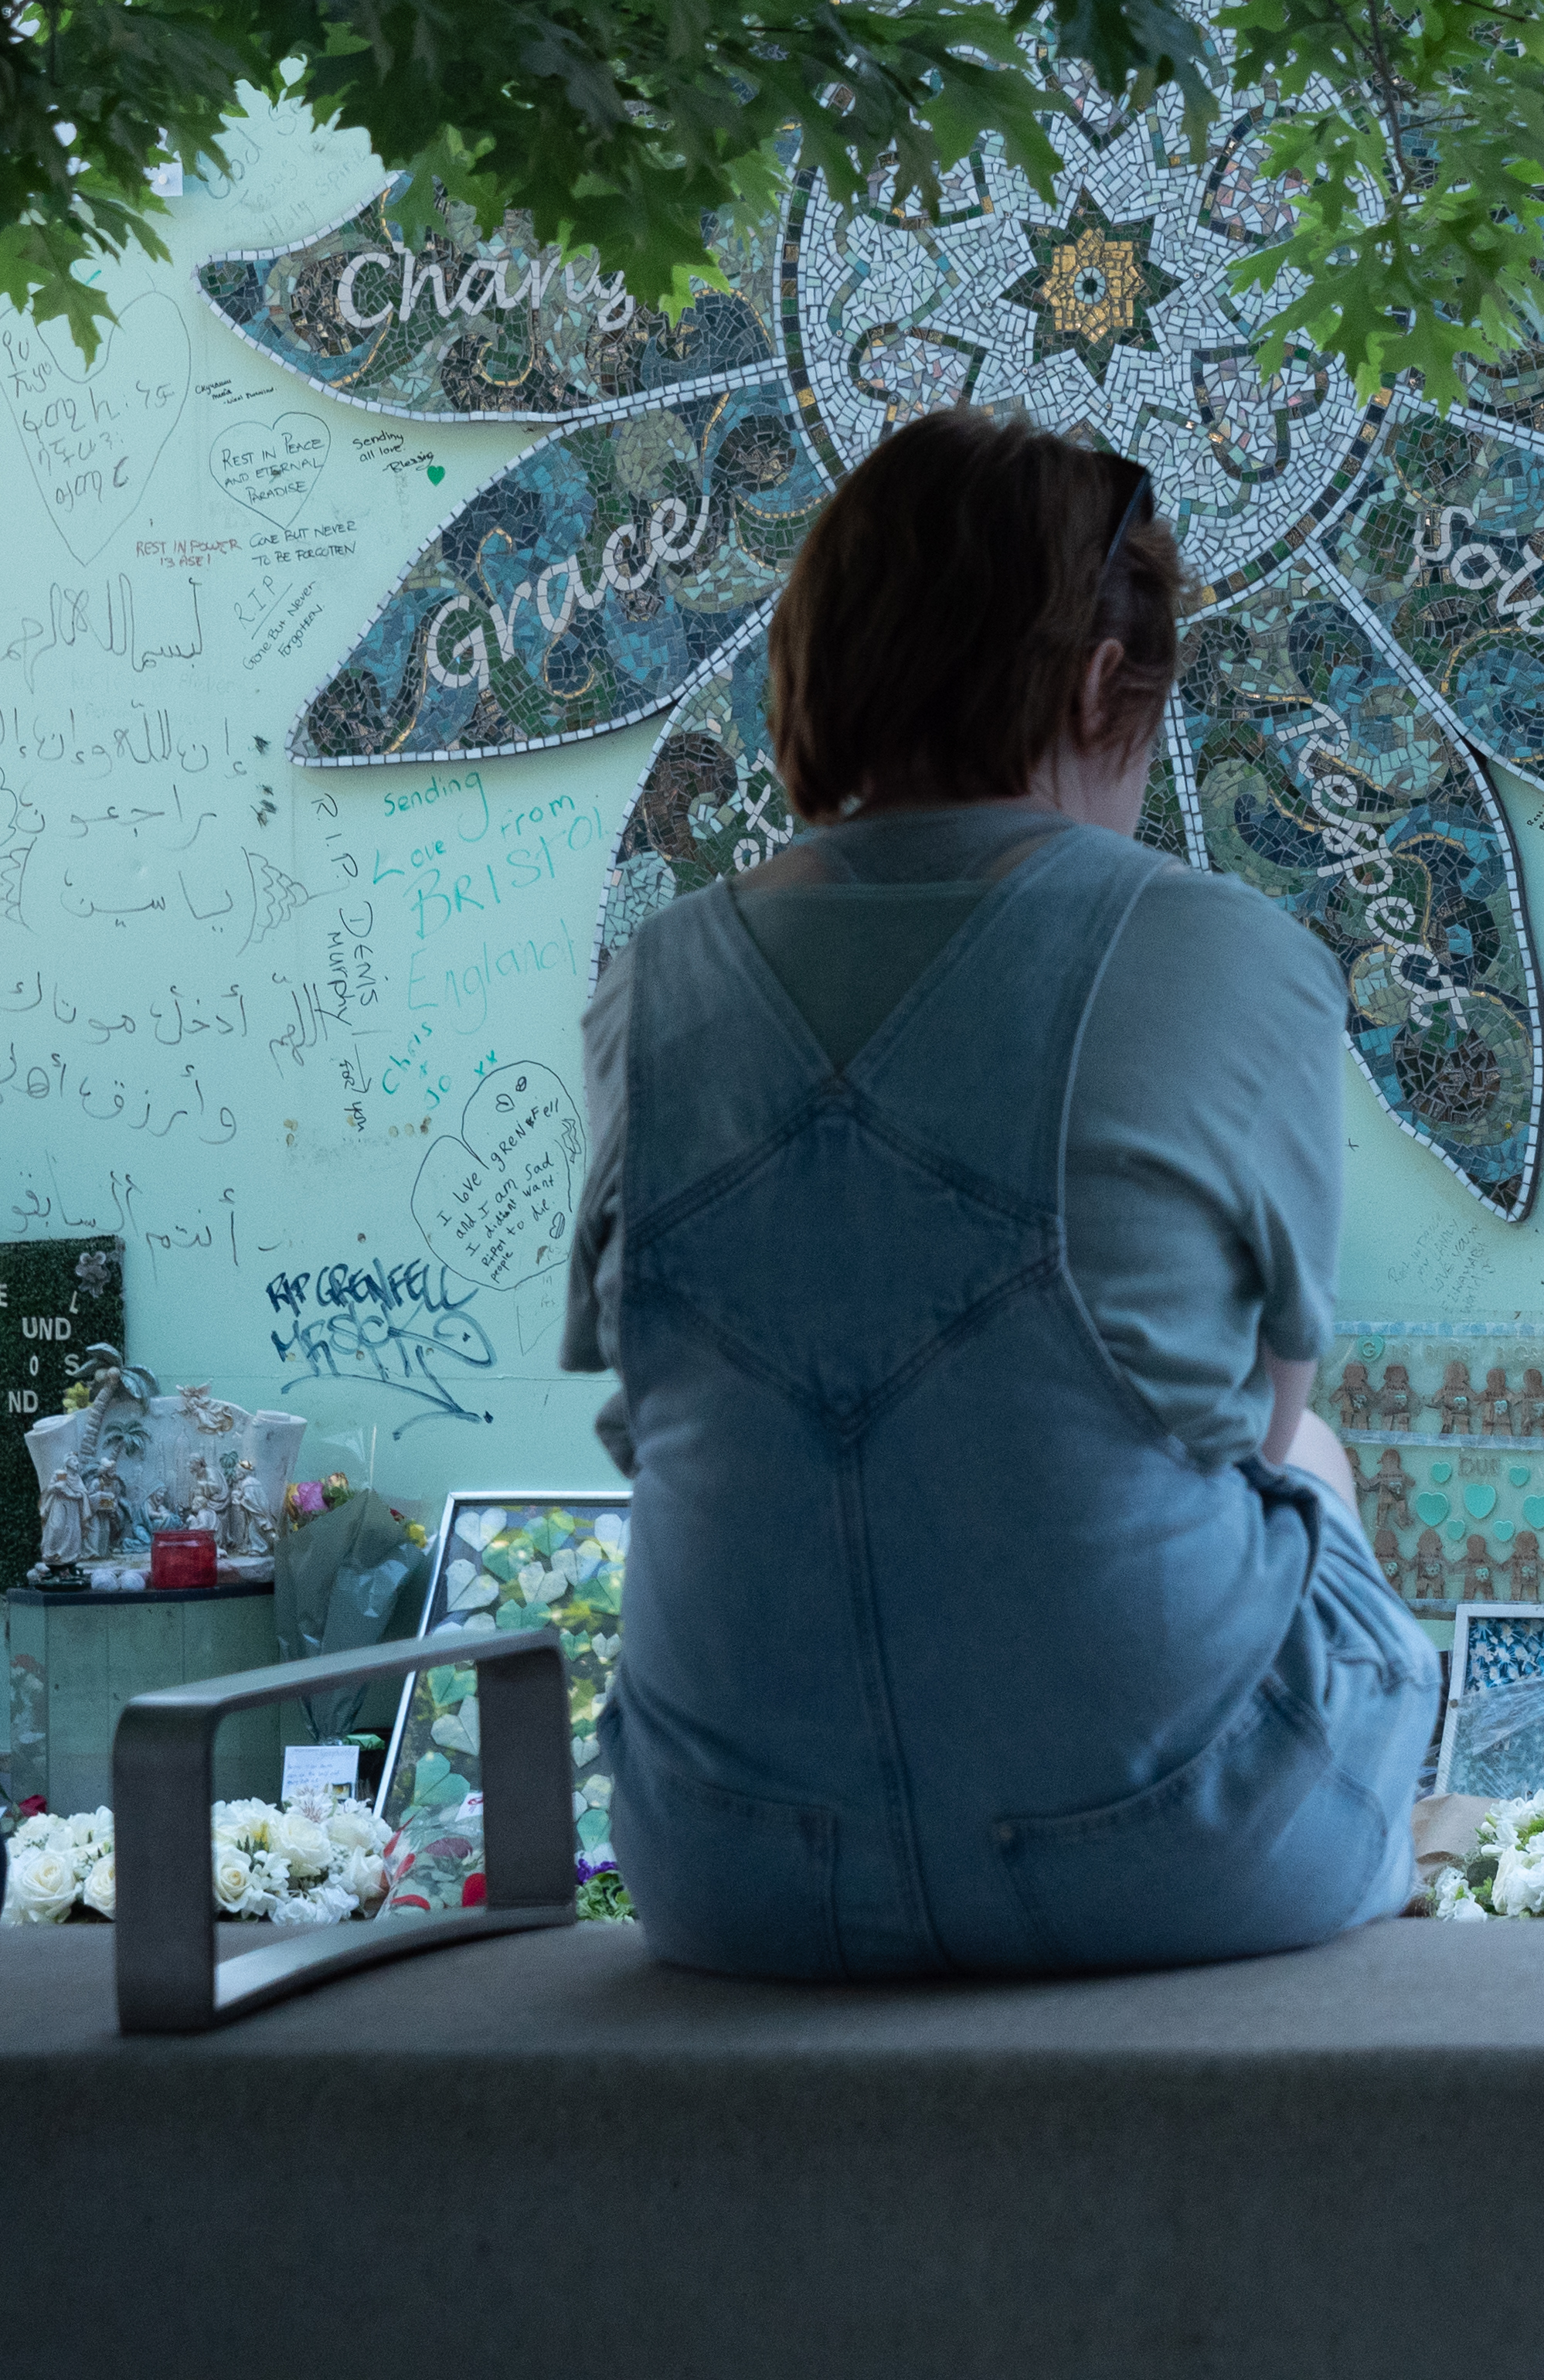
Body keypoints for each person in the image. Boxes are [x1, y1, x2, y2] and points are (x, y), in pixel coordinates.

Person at [559, 408, 1433, 1977]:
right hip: (1170, 1853)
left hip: (732, 1865)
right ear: (1105, 680)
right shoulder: (1227, 948)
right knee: (1324, 1458)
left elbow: (652, 1423)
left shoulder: (651, 985)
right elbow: (1257, 1417)